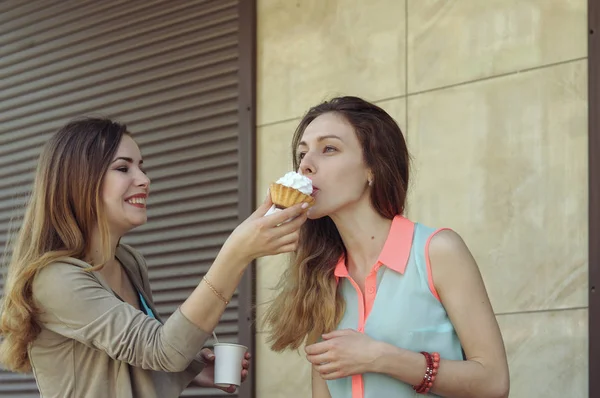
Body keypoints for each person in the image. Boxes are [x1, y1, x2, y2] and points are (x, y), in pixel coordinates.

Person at [0, 118, 309, 398]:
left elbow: (142, 356)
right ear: (78, 181)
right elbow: (163, 350)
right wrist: (236, 254)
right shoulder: (55, 279)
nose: (144, 179)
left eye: (141, 167)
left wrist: (191, 366)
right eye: (123, 168)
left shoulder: (129, 262)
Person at [263, 96, 510, 398]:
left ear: (373, 169)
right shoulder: (319, 277)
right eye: (302, 153)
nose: (306, 165)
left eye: (329, 149)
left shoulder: (438, 252)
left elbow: (494, 382)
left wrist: (381, 358)